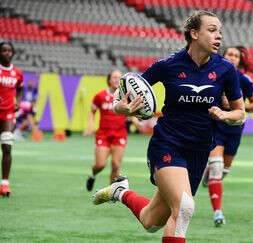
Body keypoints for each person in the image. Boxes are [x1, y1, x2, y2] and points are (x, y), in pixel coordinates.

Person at [92, 10, 245, 243]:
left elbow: (240, 112)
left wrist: (225, 114)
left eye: (220, 32)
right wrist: (121, 108)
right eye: (212, 30)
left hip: (200, 149)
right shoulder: (168, 65)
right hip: (168, 144)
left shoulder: (225, 69)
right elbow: (124, 94)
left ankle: (120, 192)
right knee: (184, 208)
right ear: (194, 33)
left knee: (151, 221)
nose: (219, 37)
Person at [201, 46, 253, 226]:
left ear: (240, 60)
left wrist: (238, 107)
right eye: (230, 54)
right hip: (216, 126)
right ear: (223, 56)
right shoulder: (213, 74)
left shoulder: (244, 80)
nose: (233, 58)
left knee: (223, 170)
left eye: (236, 55)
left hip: (234, 129)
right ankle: (217, 212)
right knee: (217, 168)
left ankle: (209, 173)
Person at [84, 70, 139, 190]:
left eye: (119, 78)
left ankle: (111, 191)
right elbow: (92, 112)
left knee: (115, 165)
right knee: (100, 164)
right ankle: (92, 175)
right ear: (109, 79)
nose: (116, 80)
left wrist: (135, 119)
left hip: (119, 134)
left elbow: (130, 112)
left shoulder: (125, 97)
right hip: (103, 134)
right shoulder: (100, 96)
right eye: (114, 77)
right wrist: (90, 124)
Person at [0, 42, 23, 197]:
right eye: (4, 50)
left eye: (9, 50)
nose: (7, 53)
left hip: (8, 114)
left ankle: (4, 184)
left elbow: (20, 88)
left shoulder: (17, 73)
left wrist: (18, 101)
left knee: (7, 146)